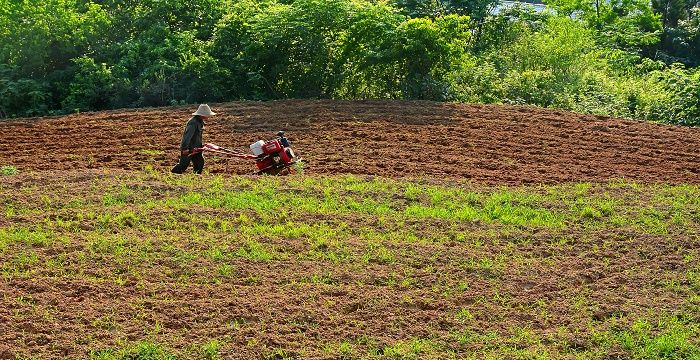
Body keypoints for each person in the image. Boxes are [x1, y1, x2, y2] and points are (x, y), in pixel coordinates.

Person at [171, 104, 216, 174]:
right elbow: (187, 136)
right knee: (183, 165)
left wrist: (201, 145)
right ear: (202, 114)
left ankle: (197, 177)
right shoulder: (193, 123)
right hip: (189, 148)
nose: (209, 116)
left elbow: (197, 136)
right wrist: (184, 149)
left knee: (200, 163)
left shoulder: (200, 122)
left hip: (197, 147)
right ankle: (172, 174)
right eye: (207, 114)